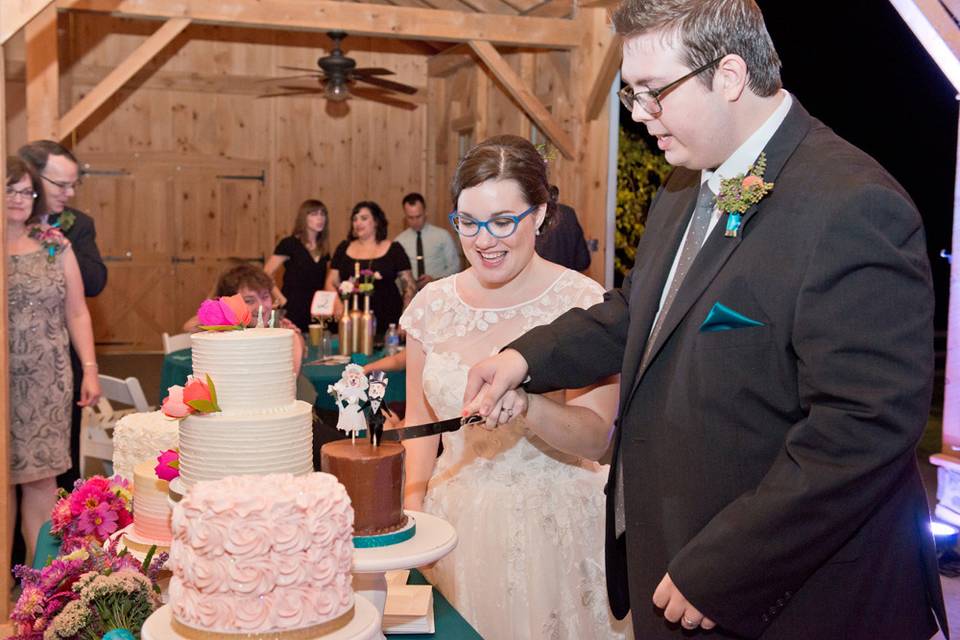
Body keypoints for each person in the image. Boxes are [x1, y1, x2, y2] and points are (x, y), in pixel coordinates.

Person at [464, 1, 948, 638]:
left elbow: (862, 429)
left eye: (652, 93)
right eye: (631, 95)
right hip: (673, 558)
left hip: (790, 594)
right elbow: (640, 316)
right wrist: (524, 358)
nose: (639, 116)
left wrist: (728, 568)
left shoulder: (854, 206)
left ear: (728, 76)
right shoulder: (684, 185)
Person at [400, 135, 629, 640]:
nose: (484, 240)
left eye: (503, 221)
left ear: (541, 214)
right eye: (468, 222)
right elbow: (419, 420)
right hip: (451, 521)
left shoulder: (585, 304)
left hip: (553, 527)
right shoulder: (430, 307)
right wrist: (413, 507)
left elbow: (596, 438)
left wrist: (529, 408)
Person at [6, 156, 101, 565]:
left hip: (48, 381)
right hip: (3, 380)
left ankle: (39, 583)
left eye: (26, 191)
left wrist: (90, 369)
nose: (19, 199)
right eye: (9, 189)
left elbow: (77, 311)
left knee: (42, 482)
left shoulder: (54, 245)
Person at [19, 140, 107, 490]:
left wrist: (58, 244)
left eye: (74, 184)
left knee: (58, 468)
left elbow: (95, 284)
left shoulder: (73, 227)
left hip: (56, 364)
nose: (70, 192)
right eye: (61, 184)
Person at [182, 263, 304, 373]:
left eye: (265, 296)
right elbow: (189, 326)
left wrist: (292, 339)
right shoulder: (227, 331)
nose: (261, 307)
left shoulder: (278, 329)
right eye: (249, 301)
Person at [325, 201, 415, 333]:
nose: (358, 223)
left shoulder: (395, 249)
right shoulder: (343, 247)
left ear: (376, 222)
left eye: (364, 218)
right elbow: (330, 282)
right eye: (354, 219)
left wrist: (406, 319)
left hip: (387, 320)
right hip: (350, 320)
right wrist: (337, 304)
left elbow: (409, 287)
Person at [264, 199, 331, 332]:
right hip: (293, 308)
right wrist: (282, 300)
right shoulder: (289, 244)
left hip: (316, 311)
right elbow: (265, 274)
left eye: (322, 214)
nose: (320, 218)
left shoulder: (324, 248)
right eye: (314, 214)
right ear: (303, 218)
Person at [393, 192, 460, 289]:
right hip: (412, 295)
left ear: (425, 213)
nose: (415, 221)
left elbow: (455, 267)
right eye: (410, 217)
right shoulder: (399, 242)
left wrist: (435, 279)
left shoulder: (442, 236)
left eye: (418, 216)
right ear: (405, 216)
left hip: (440, 290)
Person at [535, 185, 591, 272]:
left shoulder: (532, 216)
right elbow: (583, 261)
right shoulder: (569, 213)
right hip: (567, 281)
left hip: (540, 282)